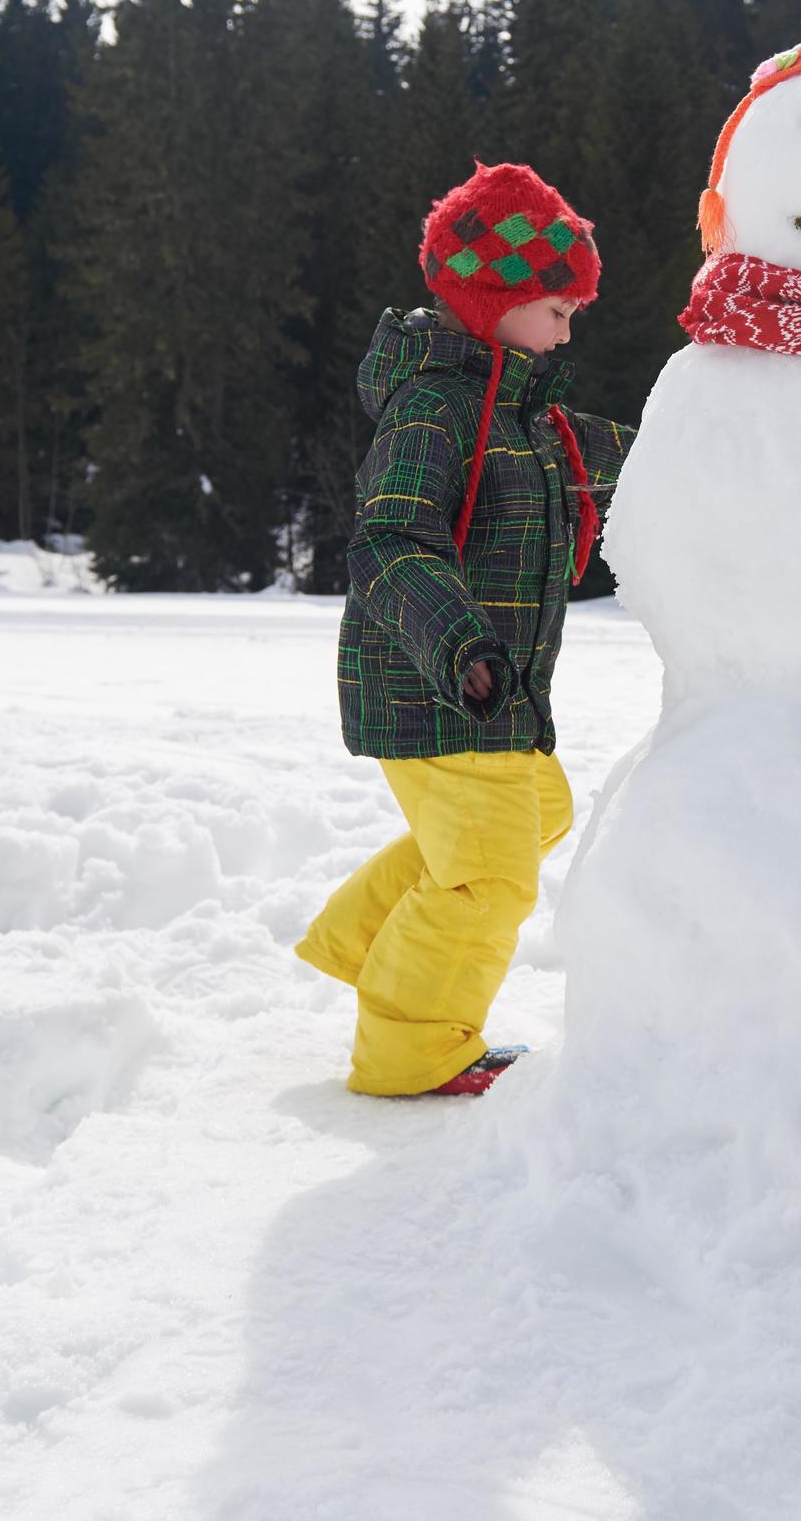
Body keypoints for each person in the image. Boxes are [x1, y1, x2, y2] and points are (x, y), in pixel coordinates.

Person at [294, 162, 631, 1098]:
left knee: (540, 815)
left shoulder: (525, 414)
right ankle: (412, 1050)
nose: (569, 328)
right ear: (497, 301)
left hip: (490, 687)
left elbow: (643, 452)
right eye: (558, 309)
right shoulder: (434, 408)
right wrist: (457, 645)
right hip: (437, 678)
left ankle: (366, 940)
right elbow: (391, 538)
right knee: (490, 880)